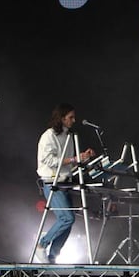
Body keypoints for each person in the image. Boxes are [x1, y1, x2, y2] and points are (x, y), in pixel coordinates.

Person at [35, 103, 96, 264]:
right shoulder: (49, 136)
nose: (74, 120)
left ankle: (52, 256)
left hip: (64, 182)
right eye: (70, 117)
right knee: (67, 219)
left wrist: (82, 157)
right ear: (61, 118)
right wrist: (74, 159)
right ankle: (41, 245)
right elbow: (48, 161)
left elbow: (68, 162)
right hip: (52, 182)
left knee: (68, 222)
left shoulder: (68, 136)